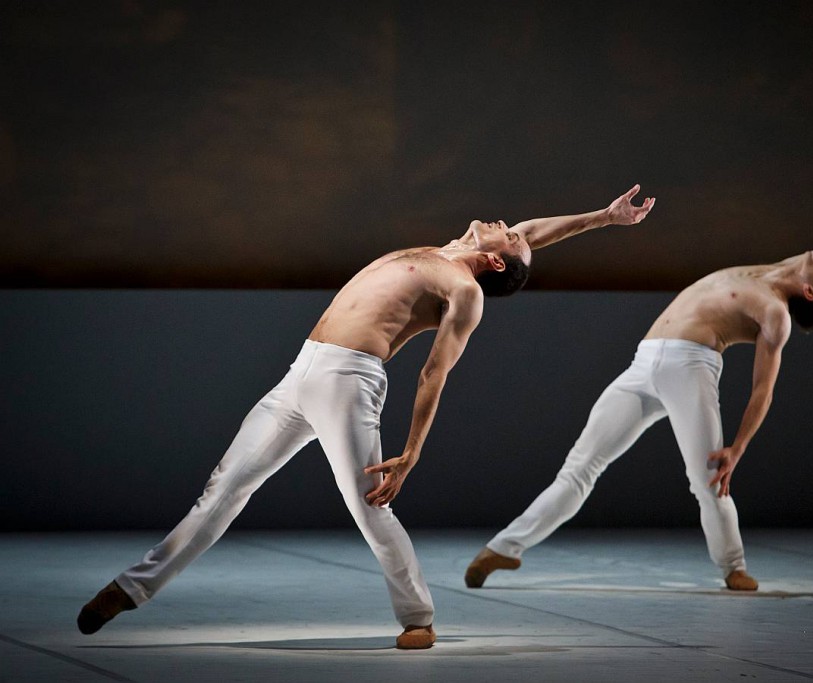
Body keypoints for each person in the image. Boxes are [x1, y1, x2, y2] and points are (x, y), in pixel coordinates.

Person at [77, 185, 656, 649]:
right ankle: (132, 589)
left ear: (495, 264)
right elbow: (530, 237)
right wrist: (604, 218)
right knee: (224, 487)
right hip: (301, 370)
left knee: (367, 504)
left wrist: (413, 450)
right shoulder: (449, 253)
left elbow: (434, 373)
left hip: (350, 380)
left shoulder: (464, 288)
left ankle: (418, 617)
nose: (508, 222)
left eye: (506, 235)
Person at [465, 232, 813, 591]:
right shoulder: (780, 267)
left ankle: (733, 567)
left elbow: (763, 388)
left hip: (690, 367)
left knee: (708, 479)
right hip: (643, 362)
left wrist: (739, 445)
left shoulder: (776, 312)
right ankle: (503, 550)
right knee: (579, 468)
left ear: (810, 294)